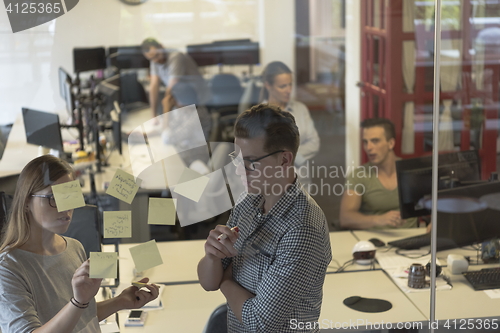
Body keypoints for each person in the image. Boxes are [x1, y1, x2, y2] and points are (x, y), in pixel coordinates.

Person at [197, 104, 332, 332]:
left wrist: (227, 280)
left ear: (284, 160)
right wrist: (212, 257)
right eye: (237, 159)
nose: (240, 170)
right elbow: (208, 282)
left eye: (250, 162)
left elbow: (259, 323)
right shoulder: (248, 201)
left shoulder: (302, 227)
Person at [0, 155, 160, 333]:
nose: (65, 208)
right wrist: (78, 302)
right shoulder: (8, 268)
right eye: (54, 197)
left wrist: (120, 301)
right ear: (26, 202)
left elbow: (79, 316)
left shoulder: (74, 247)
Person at [339, 118, 418, 229]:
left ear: (390, 143)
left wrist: (434, 223)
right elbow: (345, 218)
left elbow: (438, 204)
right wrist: (379, 219)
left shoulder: (412, 170)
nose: (368, 148)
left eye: (375, 141)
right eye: (365, 142)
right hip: (376, 241)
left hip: (411, 239)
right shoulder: (359, 175)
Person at [260, 61, 320, 185]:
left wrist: (286, 156)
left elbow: (314, 143)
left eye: (290, 85)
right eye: (282, 86)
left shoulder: (300, 109)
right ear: (268, 85)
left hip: (301, 181)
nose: (288, 90)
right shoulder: (257, 116)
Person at [141, 38, 210, 119]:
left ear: (161, 47)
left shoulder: (176, 56)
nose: (156, 60)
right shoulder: (155, 61)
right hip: (180, 102)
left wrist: (166, 107)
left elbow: (172, 85)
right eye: (151, 59)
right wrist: (153, 116)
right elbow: (154, 86)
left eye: (157, 55)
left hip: (195, 102)